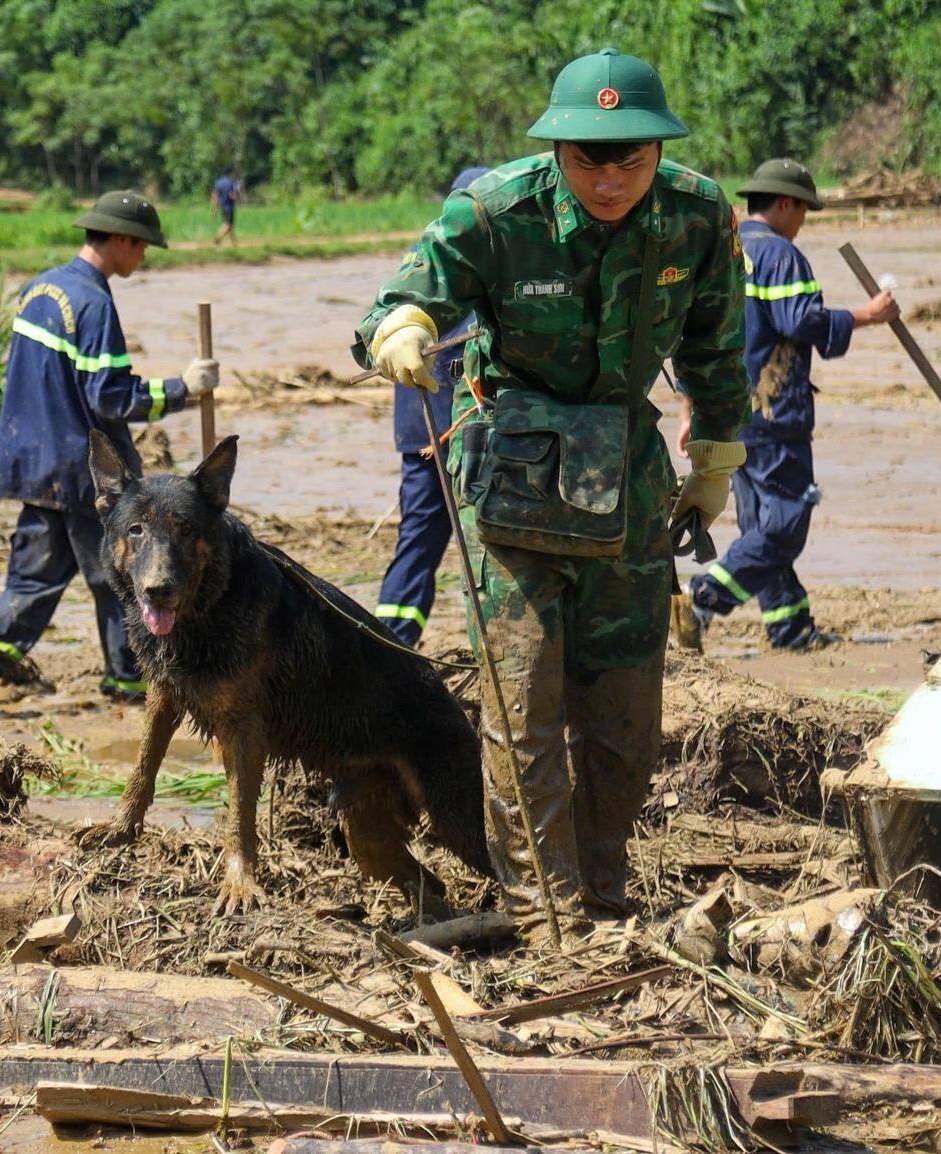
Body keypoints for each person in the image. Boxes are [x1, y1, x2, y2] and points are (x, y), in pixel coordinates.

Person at [354, 49, 750, 944]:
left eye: (630, 160)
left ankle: (603, 896)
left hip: (628, 489)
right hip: (513, 491)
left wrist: (716, 461)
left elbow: (719, 349)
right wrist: (406, 330)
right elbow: (400, 299)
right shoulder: (498, 211)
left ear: (658, 150)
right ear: (556, 148)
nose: (609, 179)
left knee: (625, 718)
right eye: (588, 159)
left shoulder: (697, 215)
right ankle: (547, 920)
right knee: (522, 707)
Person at [0, 192, 218, 714]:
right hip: (80, 465)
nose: (142, 258)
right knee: (121, 573)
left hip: (30, 457)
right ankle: (130, 679)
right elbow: (110, 397)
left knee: (35, 573)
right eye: (141, 248)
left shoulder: (40, 288)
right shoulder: (94, 304)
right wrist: (183, 388)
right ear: (120, 241)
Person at [683, 159, 898, 651]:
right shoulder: (780, 256)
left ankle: (791, 628)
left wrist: (688, 408)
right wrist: (867, 315)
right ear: (785, 204)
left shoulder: (724, 252)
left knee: (761, 526)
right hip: (772, 414)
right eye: (803, 211)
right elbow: (802, 320)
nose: (802, 223)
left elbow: (693, 335)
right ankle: (703, 599)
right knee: (784, 527)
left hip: (727, 413)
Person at [373, 166, 488, 647]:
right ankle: (393, 643)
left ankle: (392, 640)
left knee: (420, 541)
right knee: (478, 544)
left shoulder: (419, 259)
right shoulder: (460, 264)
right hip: (456, 435)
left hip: (427, 431)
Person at [211, 169, 242, 245]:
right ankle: (218, 236)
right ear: (230, 174)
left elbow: (215, 196)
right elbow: (233, 195)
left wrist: (214, 208)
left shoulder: (218, 182)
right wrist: (238, 198)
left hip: (222, 207)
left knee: (229, 225)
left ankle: (235, 243)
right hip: (229, 207)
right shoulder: (231, 183)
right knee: (228, 224)